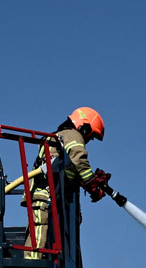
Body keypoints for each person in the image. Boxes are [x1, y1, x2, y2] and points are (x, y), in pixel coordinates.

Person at [26, 106, 112, 254]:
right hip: (45, 194)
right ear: (83, 126)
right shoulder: (72, 135)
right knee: (39, 237)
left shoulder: (62, 138)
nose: (89, 140)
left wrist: (87, 182)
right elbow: (79, 159)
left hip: (48, 194)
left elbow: (68, 170)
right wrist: (91, 184)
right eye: (91, 135)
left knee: (42, 234)